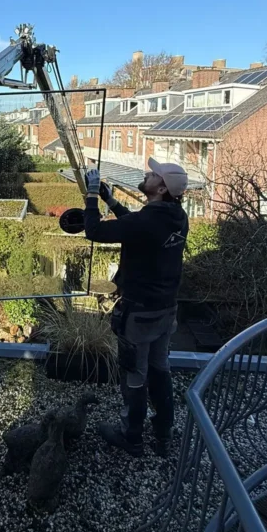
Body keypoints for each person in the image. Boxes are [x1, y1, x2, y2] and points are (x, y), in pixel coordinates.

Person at [83, 158, 189, 456]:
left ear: (162, 188)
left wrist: (91, 194)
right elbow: (135, 226)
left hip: (139, 315)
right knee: (160, 370)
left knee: (135, 376)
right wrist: (111, 199)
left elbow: (94, 230)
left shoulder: (148, 221)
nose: (147, 174)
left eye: (154, 174)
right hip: (165, 312)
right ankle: (163, 434)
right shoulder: (178, 217)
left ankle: (132, 436)